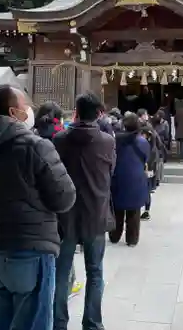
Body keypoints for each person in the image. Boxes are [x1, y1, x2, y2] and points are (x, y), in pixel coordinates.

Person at [0, 84, 76, 330]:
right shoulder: (36, 147)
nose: (30, 111)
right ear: (14, 112)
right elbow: (65, 198)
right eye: (26, 106)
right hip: (31, 252)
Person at [52, 92, 116, 330]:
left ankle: (58, 323)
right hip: (95, 215)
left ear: (75, 112)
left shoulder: (59, 140)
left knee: (61, 272)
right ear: (98, 114)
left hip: (65, 216)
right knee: (95, 272)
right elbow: (110, 174)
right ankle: (92, 323)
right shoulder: (107, 141)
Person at [34, 101, 82, 298]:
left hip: (36, 198)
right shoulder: (62, 136)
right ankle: (67, 284)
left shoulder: (30, 134)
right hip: (60, 194)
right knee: (64, 244)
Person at [109, 113, 150, 247]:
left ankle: (114, 235)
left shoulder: (115, 140)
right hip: (136, 178)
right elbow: (146, 159)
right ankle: (132, 239)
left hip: (118, 177)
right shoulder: (143, 142)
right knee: (134, 211)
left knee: (117, 209)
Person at [151, 109, 169, 186]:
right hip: (154, 143)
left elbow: (167, 135)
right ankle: (155, 178)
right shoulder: (153, 123)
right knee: (155, 161)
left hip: (161, 143)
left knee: (160, 162)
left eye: (158, 115)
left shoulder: (165, 123)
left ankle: (159, 178)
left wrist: (165, 143)